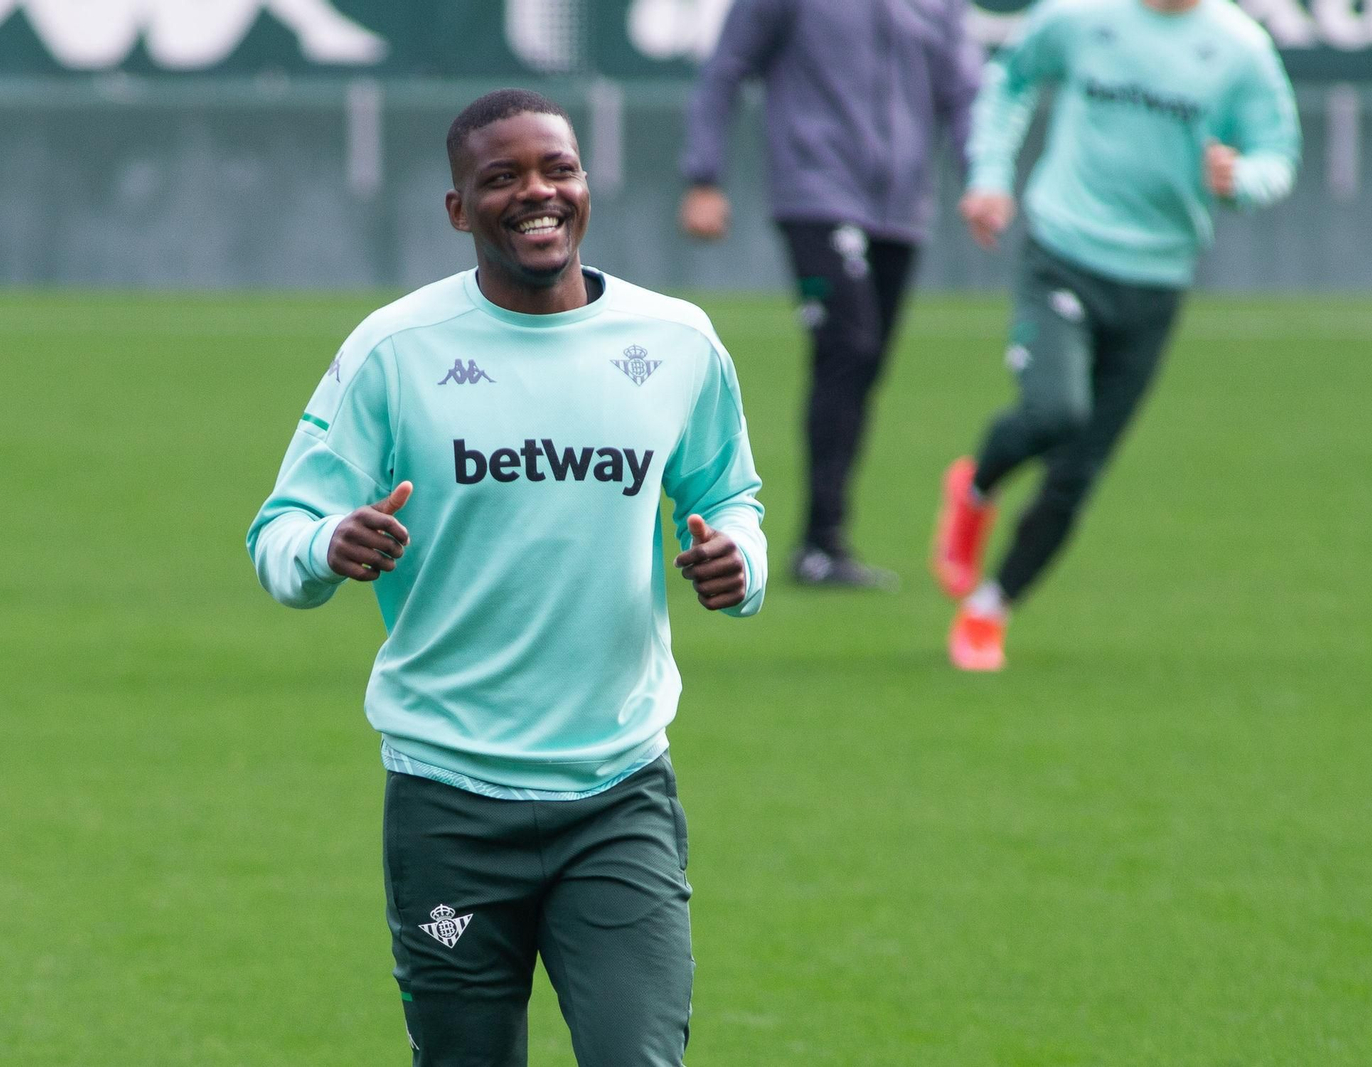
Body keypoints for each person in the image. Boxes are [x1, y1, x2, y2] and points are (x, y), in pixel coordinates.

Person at [246, 89, 767, 1066]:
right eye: (502, 178)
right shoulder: (393, 352)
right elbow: (281, 534)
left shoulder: (677, 343)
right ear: (458, 209)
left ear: (586, 185)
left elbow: (729, 495)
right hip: (448, 797)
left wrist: (739, 562)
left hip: (617, 792)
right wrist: (327, 546)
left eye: (558, 170)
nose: (537, 193)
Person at [931, 0, 1300, 670]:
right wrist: (989, 176)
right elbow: (1010, 78)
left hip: (1158, 281)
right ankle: (976, 487)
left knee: (1078, 471)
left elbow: (1278, 153)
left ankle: (990, 608)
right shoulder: (1081, 16)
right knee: (1055, 411)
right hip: (1064, 252)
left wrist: (1241, 180)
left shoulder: (1239, 47)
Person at [679, 0, 981, 588]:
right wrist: (703, 176)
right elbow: (725, 67)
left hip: (902, 209)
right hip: (816, 192)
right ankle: (819, 543)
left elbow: (964, 90)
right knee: (849, 346)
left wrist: (981, 178)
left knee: (864, 364)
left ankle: (825, 542)